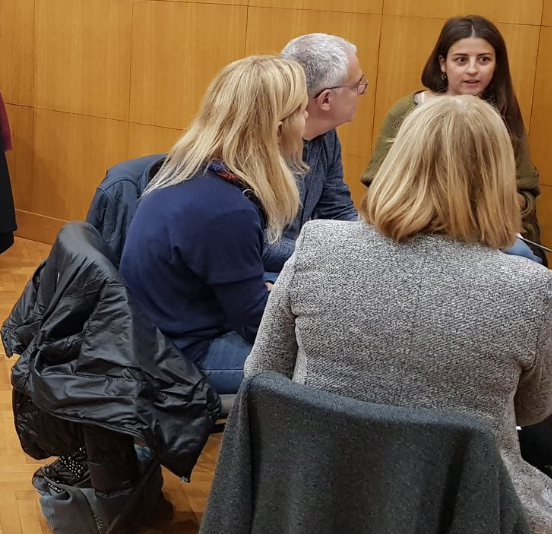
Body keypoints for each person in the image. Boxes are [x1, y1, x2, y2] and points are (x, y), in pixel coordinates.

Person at [247, 95, 552, 529]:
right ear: (497, 178)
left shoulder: (318, 245)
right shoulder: (530, 287)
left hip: (316, 498)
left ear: (399, 160)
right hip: (462, 508)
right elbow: (534, 411)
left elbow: (262, 373)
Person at [118, 56, 307, 395]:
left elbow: (240, 264)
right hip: (179, 355)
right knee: (317, 367)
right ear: (278, 128)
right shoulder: (226, 211)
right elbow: (257, 326)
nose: (307, 120)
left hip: (160, 328)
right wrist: (278, 299)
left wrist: (273, 290)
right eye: (302, 111)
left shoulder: (191, 169)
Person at [363, 15, 541, 257]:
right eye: (461, 60)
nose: (472, 69)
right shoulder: (407, 111)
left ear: (496, 64)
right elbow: (377, 184)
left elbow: (525, 193)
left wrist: (489, 203)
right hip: (415, 228)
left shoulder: (504, 112)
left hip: (486, 233)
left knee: (525, 257)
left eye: (484, 59)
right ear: (443, 64)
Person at [264, 33, 363, 274]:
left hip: (297, 265)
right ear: (326, 99)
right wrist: (329, 255)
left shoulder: (327, 135)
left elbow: (337, 210)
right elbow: (256, 245)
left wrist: (367, 246)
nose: (362, 91)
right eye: (357, 85)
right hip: (255, 274)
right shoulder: (260, 145)